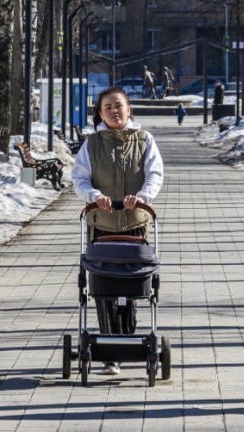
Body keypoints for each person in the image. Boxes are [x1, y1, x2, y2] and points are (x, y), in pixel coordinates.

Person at [71, 86, 164, 376]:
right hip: (102, 225)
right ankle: (111, 351)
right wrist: (93, 195)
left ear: (128, 109)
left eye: (119, 105)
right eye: (108, 106)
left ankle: (127, 340)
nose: (114, 110)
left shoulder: (145, 139)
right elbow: (80, 178)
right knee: (104, 288)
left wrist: (143, 196)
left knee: (131, 288)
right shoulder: (92, 144)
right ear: (100, 113)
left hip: (135, 223)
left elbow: (155, 173)